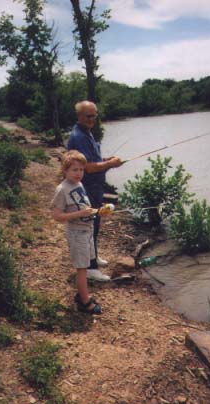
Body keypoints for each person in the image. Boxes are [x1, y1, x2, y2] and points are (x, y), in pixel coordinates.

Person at [67, 101, 122, 281]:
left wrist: (108, 160)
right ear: (79, 116)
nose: (92, 119)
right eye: (88, 116)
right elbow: (88, 168)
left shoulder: (87, 133)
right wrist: (110, 164)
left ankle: (93, 257)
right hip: (87, 187)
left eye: (94, 116)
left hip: (95, 187)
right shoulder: (78, 136)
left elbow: (93, 159)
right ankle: (89, 269)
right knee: (88, 226)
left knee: (94, 225)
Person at [51, 150, 104, 314]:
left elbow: (83, 207)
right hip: (76, 234)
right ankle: (84, 302)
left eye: (81, 169)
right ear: (65, 170)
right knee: (82, 269)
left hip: (87, 231)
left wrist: (97, 211)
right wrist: (80, 214)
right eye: (74, 170)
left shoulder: (79, 184)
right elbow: (57, 216)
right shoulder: (62, 189)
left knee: (85, 266)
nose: (79, 173)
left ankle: (82, 294)